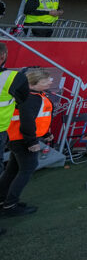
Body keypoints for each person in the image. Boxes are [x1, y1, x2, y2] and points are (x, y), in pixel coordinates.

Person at [0, 68, 54, 217]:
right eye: (46, 80)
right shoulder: (30, 98)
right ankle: (10, 205)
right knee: (27, 169)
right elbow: (27, 121)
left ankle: (3, 200)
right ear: (34, 83)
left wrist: (46, 133)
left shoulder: (32, 96)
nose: (50, 82)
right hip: (23, 140)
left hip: (17, 138)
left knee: (12, 170)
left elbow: (37, 119)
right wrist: (31, 142)